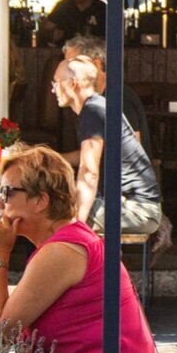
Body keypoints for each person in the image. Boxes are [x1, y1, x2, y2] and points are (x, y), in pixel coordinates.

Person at [0, 145, 165, 353]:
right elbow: (29, 318)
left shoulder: (63, 251)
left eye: (7, 192)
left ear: (40, 201)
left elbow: (0, 333)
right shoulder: (70, 240)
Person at [50, 58, 168, 246]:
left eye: (55, 82)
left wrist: (77, 225)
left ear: (73, 84)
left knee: (51, 212)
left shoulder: (93, 112)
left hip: (137, 210)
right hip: (131, 206)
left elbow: (89, 172)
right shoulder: (96, 107)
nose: (53, 89)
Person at [61, 34, 148, 139]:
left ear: (97, 64)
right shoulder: (93, 99)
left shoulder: (119, 98)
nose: (67, 72)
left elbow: (131, 150)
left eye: (72, 66)